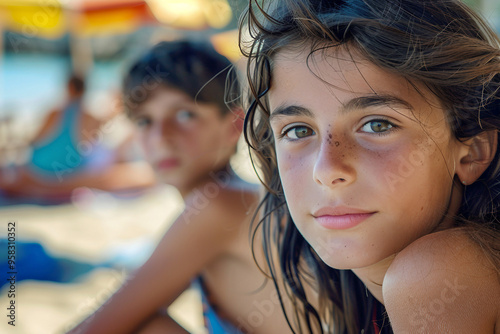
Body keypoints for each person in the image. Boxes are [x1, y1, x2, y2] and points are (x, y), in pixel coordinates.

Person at [240, 0, 500, 333]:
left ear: (471, 152)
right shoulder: (361, 304)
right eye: (298, 130)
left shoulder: (435, 275)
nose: (327, 169)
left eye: (378, 125)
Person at [67, 40, 292, 334]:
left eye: (185, 115)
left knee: (144, 327)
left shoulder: (220, 206)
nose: (161, 138)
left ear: (234, 126)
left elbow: (101, 326)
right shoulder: (239, 194)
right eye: (145, 121)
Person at [0, 74, 155, 203]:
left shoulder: (56, 112)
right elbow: (95, 136)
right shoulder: (89, 116)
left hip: (42, 168)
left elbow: (35, 140)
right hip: (68, 169)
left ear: (68, 88)